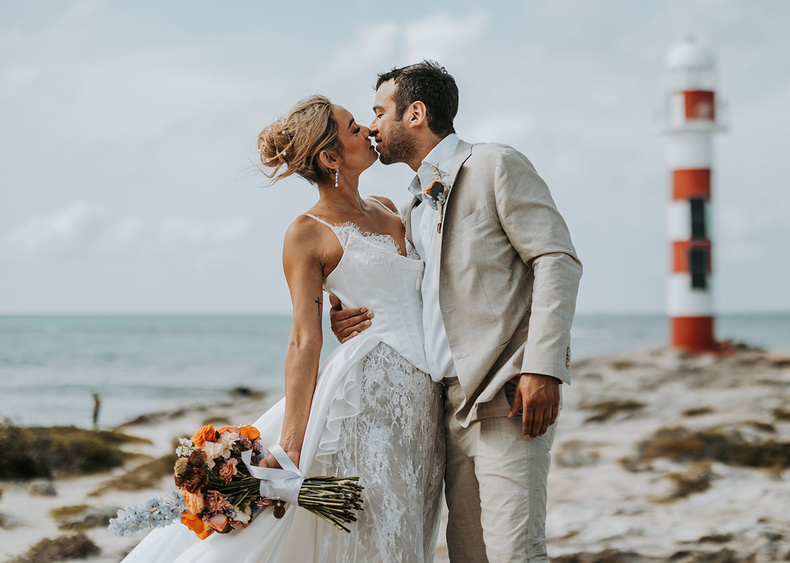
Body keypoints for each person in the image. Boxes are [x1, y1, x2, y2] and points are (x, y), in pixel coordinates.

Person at [122, 95, 444, 562]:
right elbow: (303, 338)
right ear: (330, 157)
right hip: (368, 397)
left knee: (413, 521)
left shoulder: (390, 207)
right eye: (355, 128)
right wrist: (290, 446)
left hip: (426, 395)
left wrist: (346, 312)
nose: (368, 131)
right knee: (375, 528)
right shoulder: (305, 233)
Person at [331, 61, 582, 562]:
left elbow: (556, 259)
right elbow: (411, 299)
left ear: (416, 114)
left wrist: (542, 366)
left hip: (507, 397)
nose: (372, 125)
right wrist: (346, 320)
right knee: (470, 554)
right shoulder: (406, 209)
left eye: (379, 113)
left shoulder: (495, 165)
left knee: (516, 553)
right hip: (441, 411)